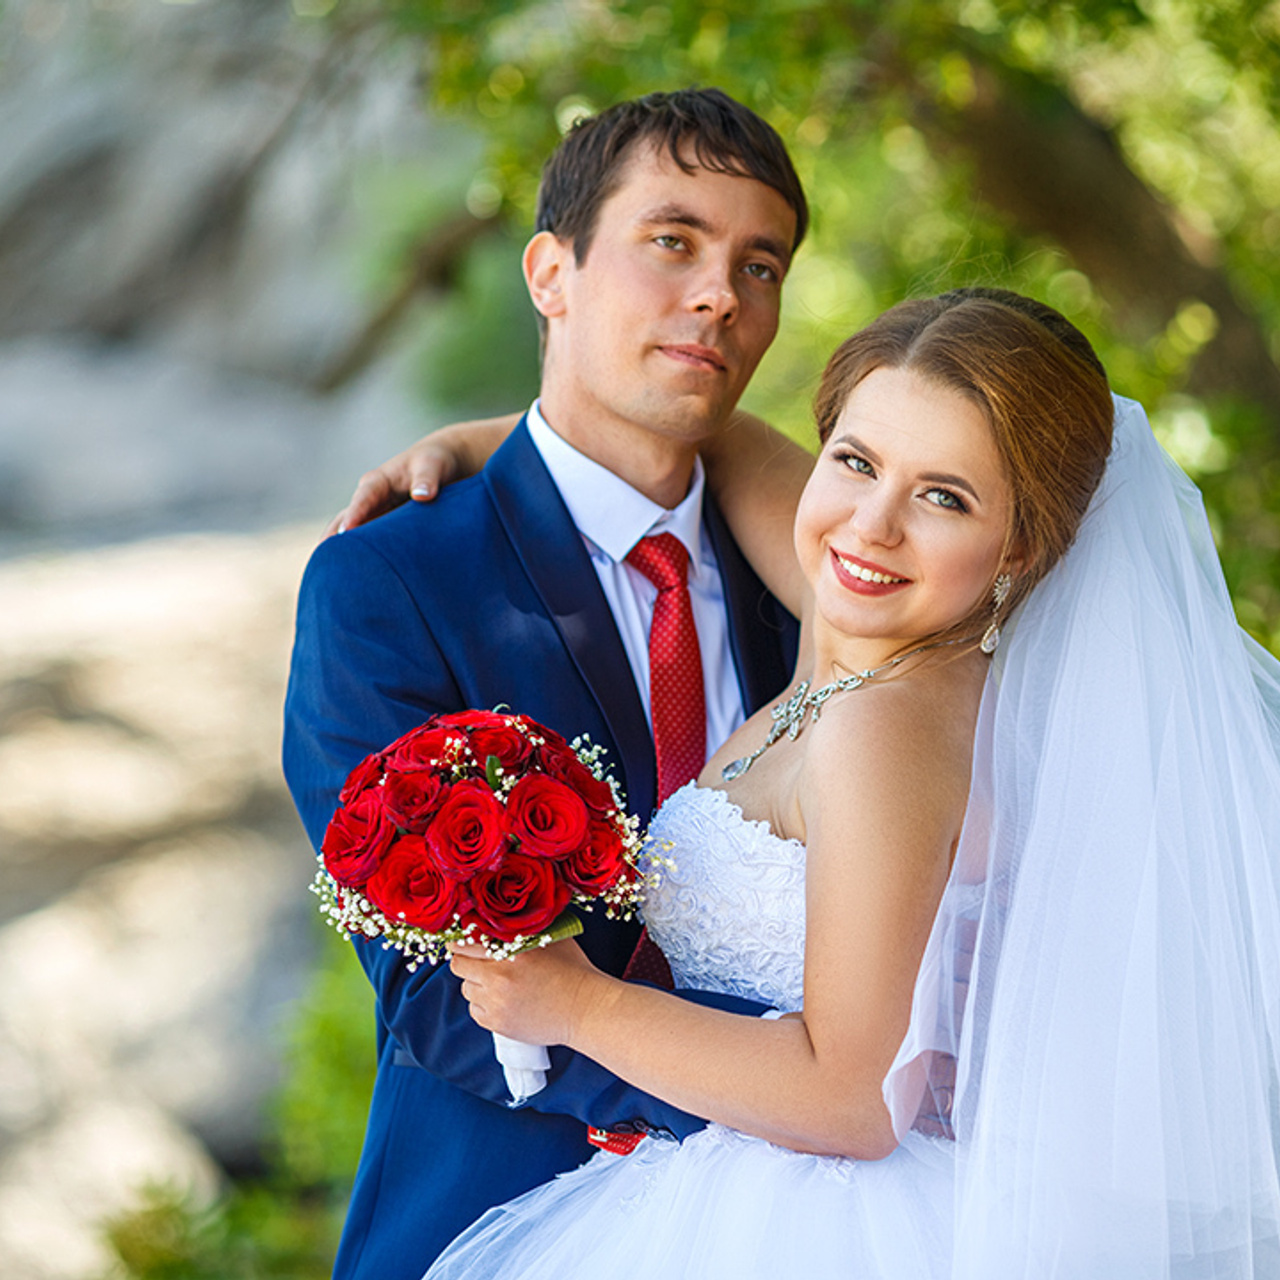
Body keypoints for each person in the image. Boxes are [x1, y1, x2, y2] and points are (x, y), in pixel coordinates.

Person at [353, 288, 1280, 1277]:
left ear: (1020, 547)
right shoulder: (859, 646)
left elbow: (854, 1094)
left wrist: (574, 1005)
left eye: (944, 496)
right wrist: (494, 444)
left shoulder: (885, 721)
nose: (871, 524)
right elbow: (724, 438)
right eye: (855, 459)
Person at [282, 88, 812, 1280]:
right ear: (548, 271)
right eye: (671, 241)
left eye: (758, 264)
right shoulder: (390, 581)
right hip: (502, 1220)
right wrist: (805, 1082)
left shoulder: (824, 586)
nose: (720, 292)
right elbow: (437, 996)